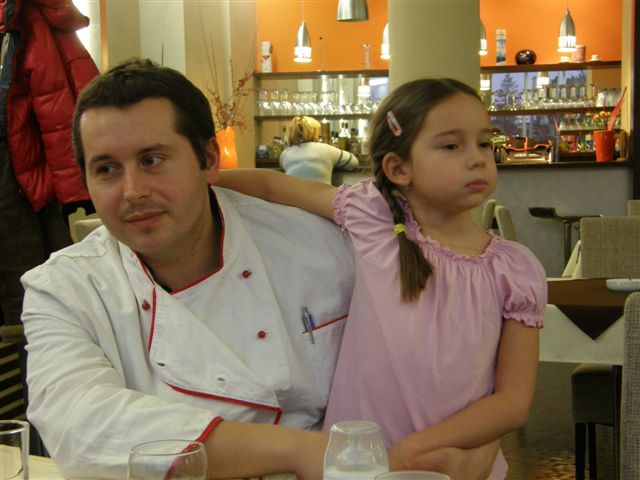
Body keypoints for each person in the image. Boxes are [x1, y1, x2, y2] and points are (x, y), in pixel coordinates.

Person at [20, 58, 356, 479]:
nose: (133, 192)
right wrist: (303, 451)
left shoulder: (320, 244)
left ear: (209, 159)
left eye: (152, 160)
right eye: (107, 169)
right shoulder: (64, 288)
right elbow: (82, 426)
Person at [218, 78, 548, 479]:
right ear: (398, 168)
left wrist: (414, 452)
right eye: (451, 146)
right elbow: (272, 186)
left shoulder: (515, 269)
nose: (477, 158)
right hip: (359, 467)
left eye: (484, 143)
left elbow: (513, 402)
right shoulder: (372, 219)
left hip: (455, 466)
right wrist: (203, 180)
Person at [279, 116, 359, 184]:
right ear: (314, 132)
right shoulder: (327, 149)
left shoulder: (285, 154)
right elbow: (354, 162)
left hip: (292, 197)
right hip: (321, 197)